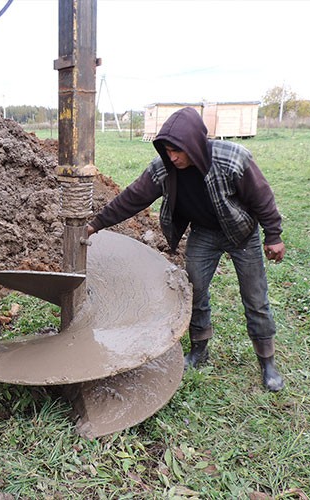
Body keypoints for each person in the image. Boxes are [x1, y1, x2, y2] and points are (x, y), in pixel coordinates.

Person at [87, 107, 285, 392]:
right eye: (167, 150)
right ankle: (199, 349)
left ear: (194, 144)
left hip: (242, 234)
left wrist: (273, 235)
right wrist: (96, 224)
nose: (172, 157)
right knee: (194, 292)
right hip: (204, 234)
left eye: (177, 150)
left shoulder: (233, 159)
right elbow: (133, 198)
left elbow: (262, 198)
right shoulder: (164, 169)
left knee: (255, 298)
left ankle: (267, 363)